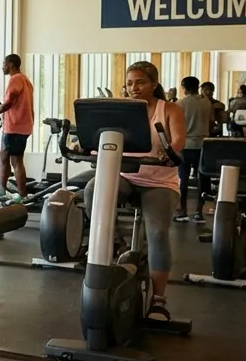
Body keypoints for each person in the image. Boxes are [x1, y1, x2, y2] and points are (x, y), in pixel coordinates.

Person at [83, 61, 184, 316]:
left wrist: (171, 153)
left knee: (158, 234)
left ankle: (159, 299)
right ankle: (115, 244)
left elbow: (178, 140)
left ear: (154, 84)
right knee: (93, 189)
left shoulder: (170, 109)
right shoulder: (123, 109)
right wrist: (84, 147)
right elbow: (106, 136)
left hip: (159, 181)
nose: (133, 88)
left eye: (140, 82)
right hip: (127, 175)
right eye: (129, 83)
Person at [0, 54, 34, 202]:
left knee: (16, 160)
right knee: (3, 156)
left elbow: (8, 102)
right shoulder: (25, 80)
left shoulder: (16, 79)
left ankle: (22, 195)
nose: (2, 67)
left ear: (11, 64)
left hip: (15, 127)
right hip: (20, 126)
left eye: (4, 64)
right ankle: (2, 188)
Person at [174, 76, 212, 224]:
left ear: (184, 88)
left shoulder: (180, 104)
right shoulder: (206, 102)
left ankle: (182, 211)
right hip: (202, 145)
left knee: (183, 179)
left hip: (186, 144)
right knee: (201, 179)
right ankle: (199, 212)